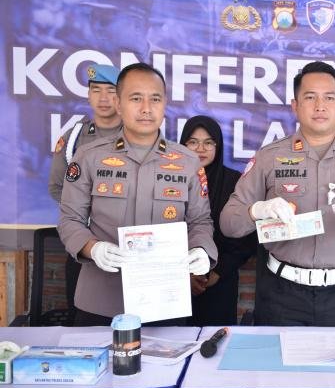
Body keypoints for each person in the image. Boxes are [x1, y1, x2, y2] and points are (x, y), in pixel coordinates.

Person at [219, 61, 335, 326]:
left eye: (329, 97)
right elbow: (228, 222)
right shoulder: (270, 156)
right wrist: (256, 210)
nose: (320, 106)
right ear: (295, 106)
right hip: (282, 296)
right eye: (310, 97)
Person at [58, 63, 217, 326]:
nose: (146, 108)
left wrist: (202, 249)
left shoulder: (188, 161)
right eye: (135, 98)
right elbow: (69, 219)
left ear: (165, 104)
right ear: (118, 104)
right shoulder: (89, 157)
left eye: (155, 99)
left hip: (165, 301)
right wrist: (92, 247)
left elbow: (200, 221)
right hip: (100, 301)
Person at [179, 115, 256, 326]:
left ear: (218, 146)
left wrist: (218, 271)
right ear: (182, 145)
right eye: (193, 142)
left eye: (208, 143)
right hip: (173, 282)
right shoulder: (169, 179)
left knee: (216, 341)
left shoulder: (234, 182)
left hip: (219, 282)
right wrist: (184, 275)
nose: (200, 149)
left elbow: (247, 236)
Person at [48, 64, 121, 201]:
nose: (103, 98)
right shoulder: (72, 138)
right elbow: (57, 187)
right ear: (89, 95)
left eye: (111, 90)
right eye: (96, 90)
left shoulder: (138, 136)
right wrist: (85, 212)